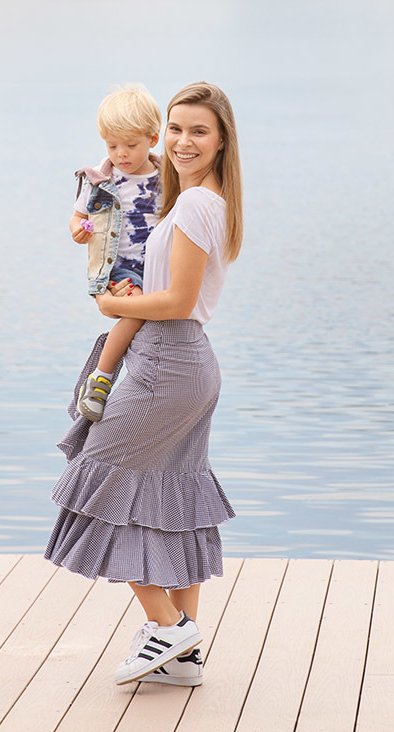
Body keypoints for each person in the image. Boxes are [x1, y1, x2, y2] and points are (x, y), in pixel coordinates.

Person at [46, 81, 243, 687]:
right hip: (185, 365)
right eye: (177, 129)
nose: (184, 142)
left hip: (167, 366)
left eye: (198, 132)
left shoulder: (195, 207)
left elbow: (179, 299)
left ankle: (169, 627)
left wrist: (110, 306)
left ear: (220, 141)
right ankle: (182, 658)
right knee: (170, 499)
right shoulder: (194, 200)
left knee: (99, 481)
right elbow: (127, 182)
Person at [68, 84, 163, 422]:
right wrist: (79, 231)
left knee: (160, 316)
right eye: (112, 145)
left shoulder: (168, 177)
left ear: (153, 139)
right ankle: (101, 379)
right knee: (135, 312)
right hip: (122, 269)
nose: (121, 154)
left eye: (131, 145)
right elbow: (79, 217)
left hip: (160, 266)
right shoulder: (102, 180)